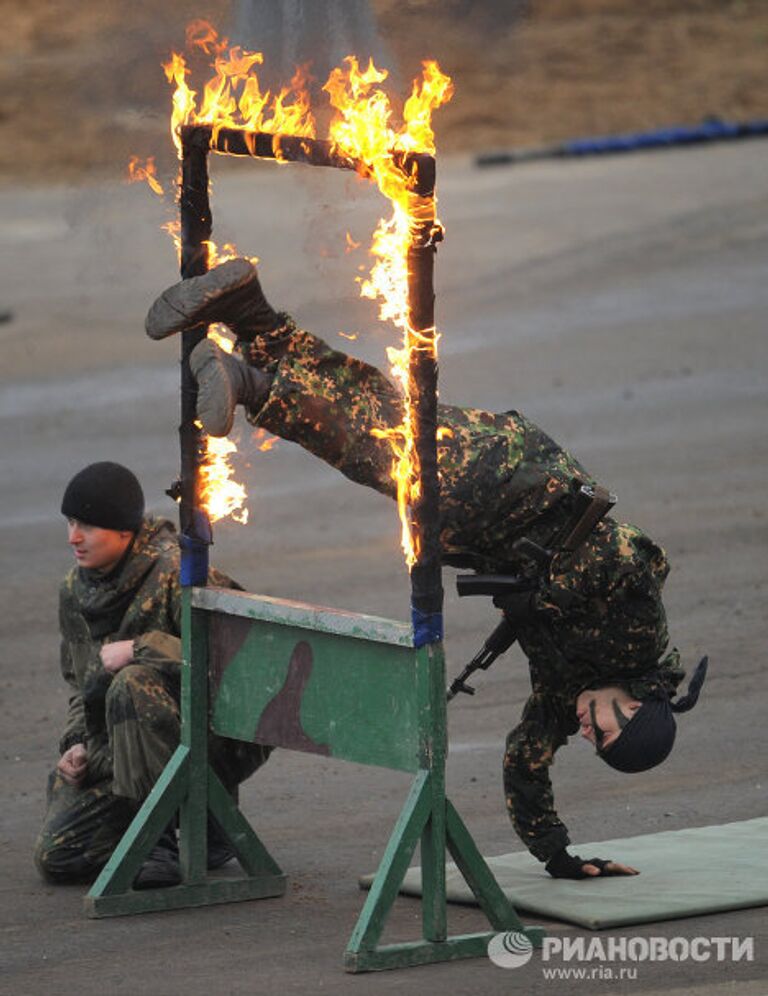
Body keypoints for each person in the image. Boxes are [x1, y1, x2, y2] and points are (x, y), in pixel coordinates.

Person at [145, 258, 708, 880]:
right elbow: (637, 552)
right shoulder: (636, 644)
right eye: (602, 733)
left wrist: (558, 857)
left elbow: (524, 761)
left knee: (377, 411)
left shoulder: (565, 692)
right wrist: (541, 594)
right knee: (382, 452)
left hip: (488, 524)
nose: (584, 731)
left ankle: (251, 314)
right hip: (521, 488)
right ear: (632, 708)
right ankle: (252, 385)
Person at [34, 461, 271, 889]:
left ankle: (160, 837)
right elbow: (79, 683)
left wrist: (142, 648)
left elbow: (240, 661)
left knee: (132, 682)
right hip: (123, 745)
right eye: (70, 523)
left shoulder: (177, 574)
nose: (73, 538)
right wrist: (76, 743)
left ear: (124, 532)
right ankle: (202, 817)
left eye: (87, 526)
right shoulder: (74, 591)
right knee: (59, 856)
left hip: (212, 736)